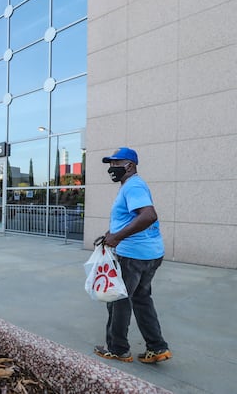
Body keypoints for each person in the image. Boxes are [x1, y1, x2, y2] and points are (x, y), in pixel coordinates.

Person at [93, 147, 172, 364]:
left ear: (130, 166)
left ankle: (117, 349)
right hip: (151, 254)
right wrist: (111, 234)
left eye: (116, 164)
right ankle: (157, 347)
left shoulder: (133, 186)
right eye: (110, 164)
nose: (112, 168)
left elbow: (148, 215)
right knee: (141, 298)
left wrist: (117, 237)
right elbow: (135, 218)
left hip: (133, 256)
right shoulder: (133, 185)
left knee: (119, 300)